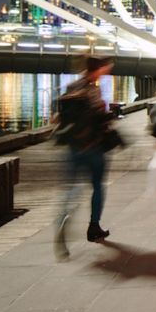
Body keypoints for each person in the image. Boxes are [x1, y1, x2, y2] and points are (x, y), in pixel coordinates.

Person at [54, 56, 115, 259]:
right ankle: (94, 226)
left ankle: (64, 217)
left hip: (73, 147)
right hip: (93, 147)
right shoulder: (93, 90)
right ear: (96, 70)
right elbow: (100, 117)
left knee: (71, 188)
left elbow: (59, 117)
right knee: (98, 186)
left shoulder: (71, 88)